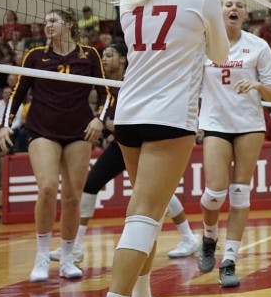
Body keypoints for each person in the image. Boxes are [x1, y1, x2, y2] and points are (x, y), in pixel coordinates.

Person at [87, 0, 228, 297]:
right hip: (169, 118)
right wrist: (213, 0)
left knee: (140, 211)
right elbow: (220, 57)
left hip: (128, 116)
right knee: (144, 215)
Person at [49, 42, 200, 264]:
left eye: (110, 55)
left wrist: (114, 124)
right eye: (103, 55)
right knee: (92, 184)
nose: (105, 59)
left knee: (154, 192)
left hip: (143, 139)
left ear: (123, 59)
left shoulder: (136, 76)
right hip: (122, 143)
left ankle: (188, 237)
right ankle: (76, 246)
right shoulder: (104, 83)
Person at [0, 8, 108, 283]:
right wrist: (5, 124)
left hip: (79, 131)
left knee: (73, 196)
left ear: (68, 25)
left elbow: (108, 93)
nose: (47, 24)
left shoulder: (89, 55)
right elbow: (17, 92)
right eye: (45, 20)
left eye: (53, 20)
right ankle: (42, 256)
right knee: (47, 188)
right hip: (42, 129)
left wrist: (99, 120)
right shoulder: (35, 56)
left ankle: (69, 257)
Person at [196, 0, 271, 288]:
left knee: (241, 193)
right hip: (215, 123)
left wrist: (256, 84)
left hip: (249, 125)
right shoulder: (203, 43)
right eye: (228, 4)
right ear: (219, 11)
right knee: (215, 193)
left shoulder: (258, 46)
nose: (234, 8)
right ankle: (208, 234)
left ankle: (229, 261)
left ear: (244, 14)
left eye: (239, 5)